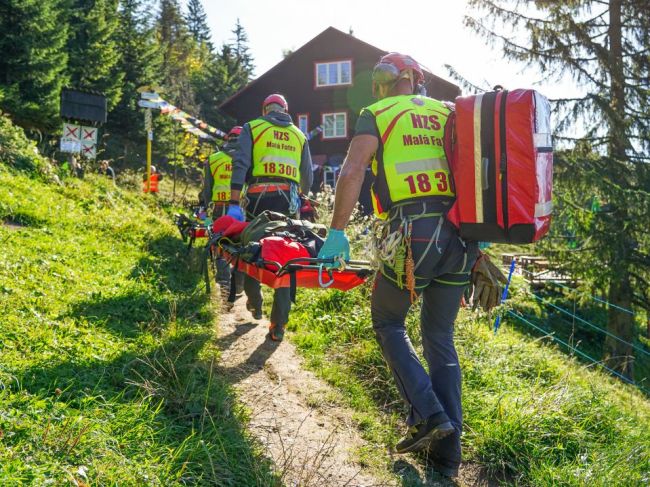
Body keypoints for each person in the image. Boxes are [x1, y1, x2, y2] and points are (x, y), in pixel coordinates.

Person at [317, 53, 504, 477]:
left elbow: (353, 169)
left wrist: (336, 232)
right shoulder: (450, 112)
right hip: (461, 239)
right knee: (439, 336)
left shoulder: (377, 112)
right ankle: (448, 457)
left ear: (386, 82)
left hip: (414, 233)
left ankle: (429, 414)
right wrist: (480, 246)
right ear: (418, 80)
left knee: (387, 321)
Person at [228, 93, 313, 341]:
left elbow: (241, 164)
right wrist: (303, 199)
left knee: (254, 250)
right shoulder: (299, 135)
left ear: (265, 110)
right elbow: (307, 176)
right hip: (289, 203)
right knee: (286, 257)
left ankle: (255, 303)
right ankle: (279, 324)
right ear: (285, 109)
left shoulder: (252, 128)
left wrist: (234, 202)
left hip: (257, 201)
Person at [203, 126, 245, 309]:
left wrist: (204, 207)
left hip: (220, 210)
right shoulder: (247, 159)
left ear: (227, 139)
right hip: (241, 210)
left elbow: (207, 189)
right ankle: (240, 285)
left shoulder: (214, 159)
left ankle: (224, 285)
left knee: (220, 246)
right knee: (243, 247)